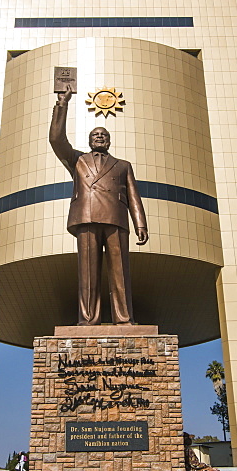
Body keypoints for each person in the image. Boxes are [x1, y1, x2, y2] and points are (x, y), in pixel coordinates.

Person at [49, 85, 148, 325]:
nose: (100, 137)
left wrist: (140, 224)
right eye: (95, 135)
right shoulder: (78, 160)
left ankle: (124, 319)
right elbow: (56, 139)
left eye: (104, 135)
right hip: (86, 216)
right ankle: (88, 319)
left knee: (120, 273)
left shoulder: (123, 165)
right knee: (88, 273)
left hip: (116, 219)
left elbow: (134, 196)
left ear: (110, 141)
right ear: (90, 140)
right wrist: (63, 104)